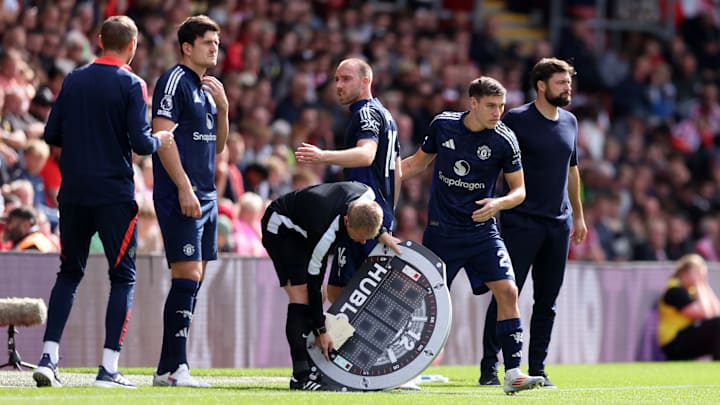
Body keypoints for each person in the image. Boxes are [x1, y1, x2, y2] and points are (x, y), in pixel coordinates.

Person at [32, 15, 174, 389]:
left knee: (69, 272)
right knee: (123, 276)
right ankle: (108, 367)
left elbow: (51, 133)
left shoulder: (74, 79)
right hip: (114, 195)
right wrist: (163, 140)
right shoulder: (132, 84)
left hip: (74, 192)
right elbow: (142, 144)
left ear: (99, 40)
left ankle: (49, 358)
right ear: (133, 46)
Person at [401, 76, 544, 395]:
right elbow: (415, 165)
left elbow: (519, 190)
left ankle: (513, 373)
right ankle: (405, 370)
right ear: (473, 103)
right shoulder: (443, 126)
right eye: (492, 106)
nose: (498, 112)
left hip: (482, 232)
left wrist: (499, 203)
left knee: (508, 291)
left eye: (502, 106)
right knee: (423, 301)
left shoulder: (504, 140)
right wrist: (381, 177)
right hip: (442, 233)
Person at [481, 58, 588, 388]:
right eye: (560, 83)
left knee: (548, 301)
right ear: (541, 85)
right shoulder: (517, 119)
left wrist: (579, 215)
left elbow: (572, 171)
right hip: (522, 222)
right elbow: (496, 163)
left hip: (559, 224)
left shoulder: (570, 121)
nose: (567, 88)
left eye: (568, 82)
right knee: (506, 294)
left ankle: (538, 367)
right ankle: (489, 368)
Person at [151, 15, 229, 388]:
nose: (215, 47)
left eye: (216, 42)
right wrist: (183, 186)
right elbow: (162, 136)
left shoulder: (207, 88)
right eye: (207, 42)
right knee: (187, 275)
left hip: (207, 194)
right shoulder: (174, 81)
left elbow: (219, 145)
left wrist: (225, 109)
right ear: (187, 46)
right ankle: (173, 367)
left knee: (193, 280)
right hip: (183, 193)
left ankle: (170, 367)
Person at [295, 58, 401, 303]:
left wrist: (323, 156)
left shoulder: (365, 113)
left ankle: (354, 341)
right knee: (340, 291)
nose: (339, 85)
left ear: (365, 81)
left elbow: (366, 154)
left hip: (362, 219)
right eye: (336, 79)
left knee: (349, 295)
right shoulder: (385, 115)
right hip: (373, 218)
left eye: (346, 79)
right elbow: (398, 171)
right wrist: (387, 216)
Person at [261, 181, 384, 391]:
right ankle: (301, 377)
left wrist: (382, 234)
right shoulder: (324, 232)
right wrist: (321, 329)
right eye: (359, 238)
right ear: (347, 222)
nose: (363, 243)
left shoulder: (367, 194)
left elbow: (370, 218)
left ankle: (313, 368)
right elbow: (314, 278)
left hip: (305, 226)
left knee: (318, 297)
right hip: (281, 228)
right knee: (302, 297)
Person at [657, 253, 720, 360]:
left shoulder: (689, 290)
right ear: (685, 272)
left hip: (683, 337)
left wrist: (705, 285)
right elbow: (705, 315)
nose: (700, 276)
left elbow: (716, 312)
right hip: (673, 343)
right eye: (697, 272)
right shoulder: (675, 291)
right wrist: (700, 284)